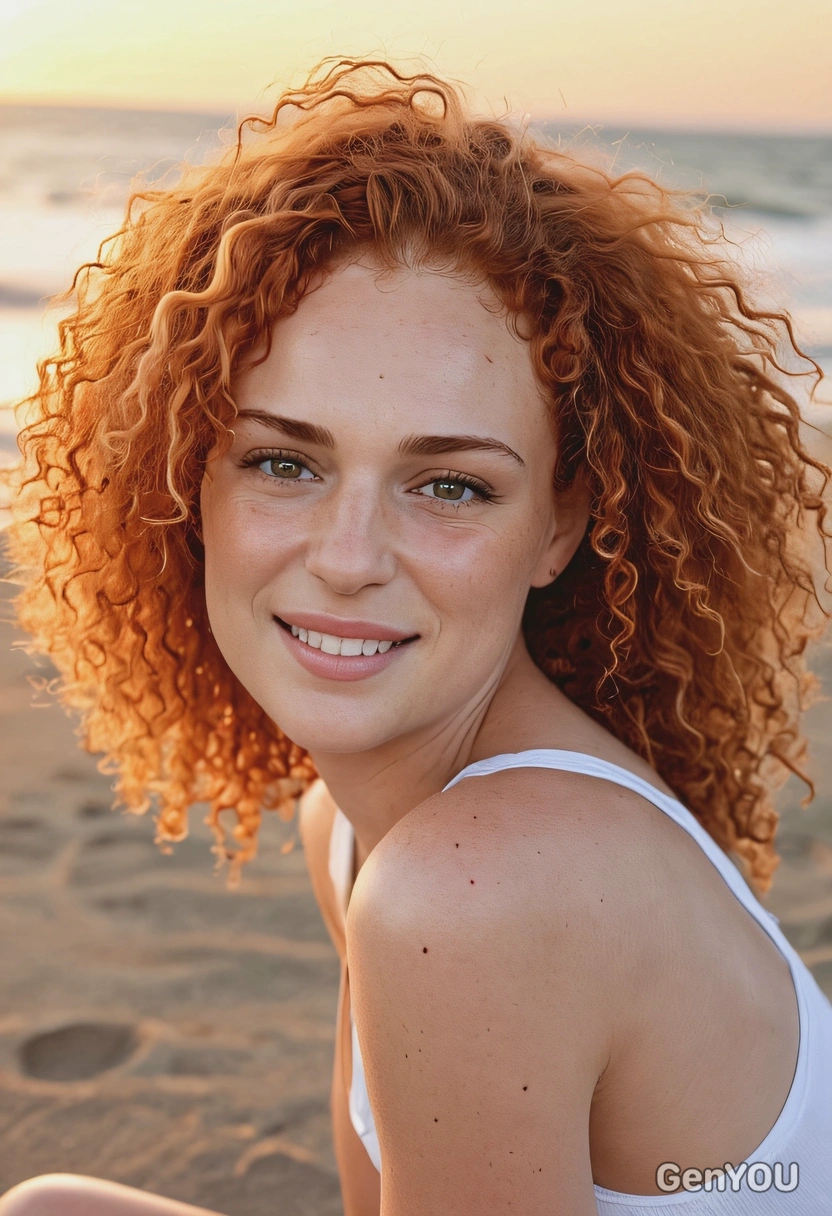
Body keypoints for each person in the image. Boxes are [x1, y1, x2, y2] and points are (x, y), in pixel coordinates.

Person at [1, 57, 831, 1216]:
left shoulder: (467, 888)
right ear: (187, 484)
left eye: (447, 485)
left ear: (561, 527)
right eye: (283, 461)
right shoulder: (347, 825)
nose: (347, 555)